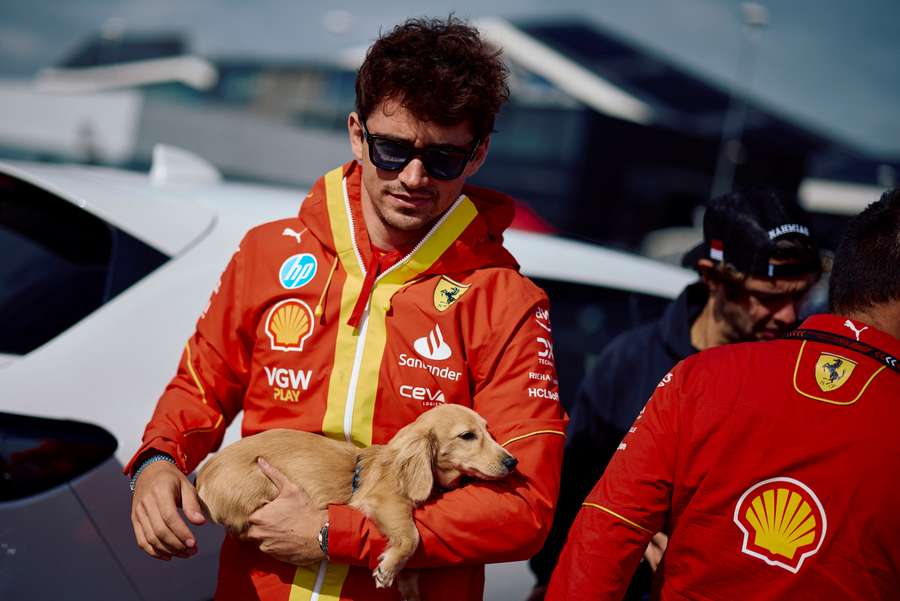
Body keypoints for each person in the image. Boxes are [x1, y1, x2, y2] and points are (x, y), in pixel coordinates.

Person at [127, 17, 567, 601]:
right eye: (391, 150)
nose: (413, 177)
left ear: (478, 154)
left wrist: (342, 534)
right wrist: (157, 462)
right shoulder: (269, 251)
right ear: (357, 134)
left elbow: (524, 509)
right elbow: (199, 388)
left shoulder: (505, 301)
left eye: (441, 158)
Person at [547, 188, 900, 599]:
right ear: (713, 278)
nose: (788, 315)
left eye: (800, 296)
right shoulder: (642, 366)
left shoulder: (788, 373)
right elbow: (590, 513)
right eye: (769, 298)